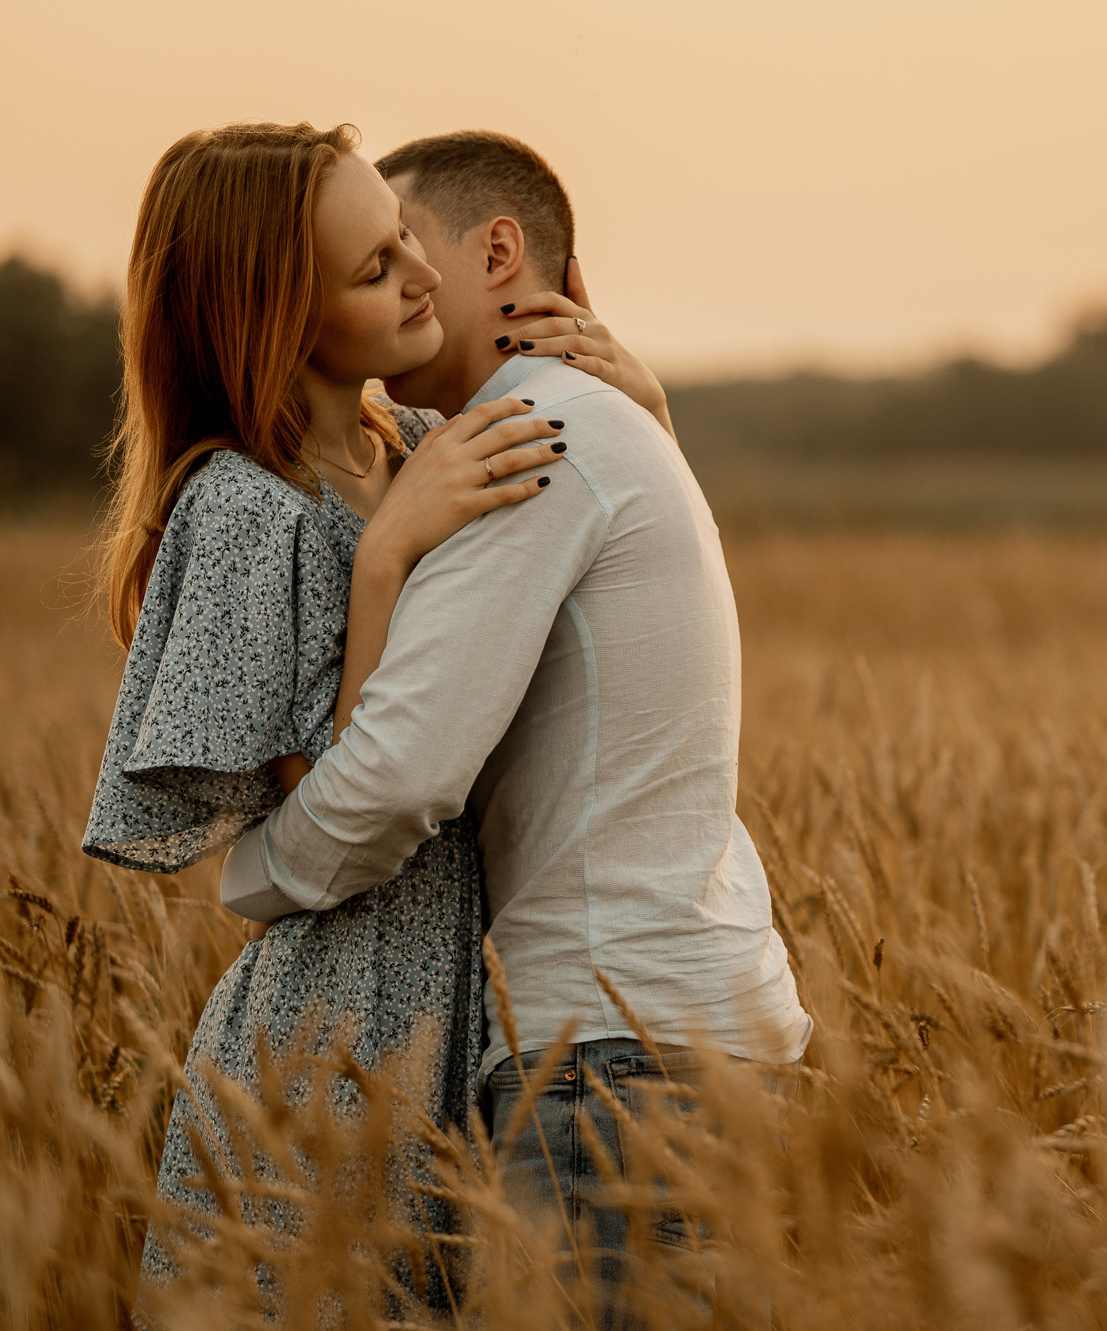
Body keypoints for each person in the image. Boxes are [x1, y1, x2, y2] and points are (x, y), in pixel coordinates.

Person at [80, 121, 671, 1312]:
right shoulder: (242, 506)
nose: (419, 274)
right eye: (372, 269)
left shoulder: (420, 441)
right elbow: (324, 804)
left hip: (473, 1005)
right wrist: (385, 556)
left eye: (403, 236)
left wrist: (646, 421)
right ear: (281, 318)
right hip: (332, 1034)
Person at [218, 131, 813, 1296]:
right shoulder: (595, 428)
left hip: (613, 1061)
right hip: (697, 1034)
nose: (407, 281)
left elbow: (395, 781)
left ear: (498, 249)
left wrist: (250, 872)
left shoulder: (524, 441)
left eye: (407, 244)